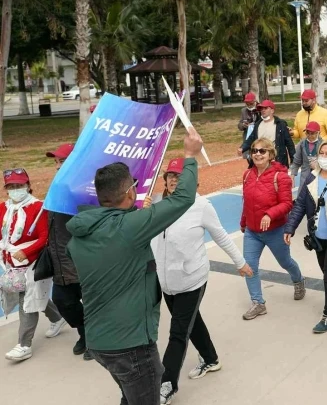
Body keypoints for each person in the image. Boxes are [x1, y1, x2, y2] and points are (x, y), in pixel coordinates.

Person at [65, 129, 203, 402]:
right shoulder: (129, 228)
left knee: (129, 396)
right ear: (129, 192)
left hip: (100, 341)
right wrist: (190, 155)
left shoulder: (79, 235)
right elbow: (183, 199)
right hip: (132, 345)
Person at [145, 158, 252, 405]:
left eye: (180, 175)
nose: (174, 179)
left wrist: (240, 262)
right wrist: (143, 213)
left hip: (192, 280)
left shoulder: (201, 205)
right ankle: (211, 358)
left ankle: (166, 384)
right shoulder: (157, 204)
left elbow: (220, 235)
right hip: (166, 281)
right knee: (191, 321)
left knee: (178, 332)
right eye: (171, 175)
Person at [284, 141, 327, 334]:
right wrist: (290, 227)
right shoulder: (311, 178)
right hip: (317, 236)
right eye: (321, 153)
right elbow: (300, 204)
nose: (323, 157)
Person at [1, 168, 65, 362]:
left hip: (33, 262)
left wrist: (27, 251)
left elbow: (45, 236)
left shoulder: (38, 207)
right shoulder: (3, 208)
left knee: (27, 301)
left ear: (28, 185)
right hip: (10, 262)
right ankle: (57, 317)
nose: (15, 189)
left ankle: (24, 345)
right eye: (11, 186)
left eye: (19, 185)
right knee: (34, 296)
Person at [240, 138, 305, 320]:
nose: (257, 154)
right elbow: (246, 202)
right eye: (254, 151)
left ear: (270, 154)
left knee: (285, 262)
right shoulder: (247, 175)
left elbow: (287, 203)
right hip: (252, 232)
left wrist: (269, 214)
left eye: (262, 151)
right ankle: (258, 303)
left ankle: (298, 280)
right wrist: (244, 222)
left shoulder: (280, 177)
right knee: (249, 266)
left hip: (275, 231)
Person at [45, 143, 91, 360]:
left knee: (93, 304)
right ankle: (85, 332)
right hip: (60, 262)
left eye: (62, 161)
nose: (57, 166)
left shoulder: (85, 189)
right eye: (56, 162)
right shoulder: (57, 186)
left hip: (82, 262)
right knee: (63, 301)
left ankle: (95, 339)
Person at [240, 99, 295, 167]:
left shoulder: (281, 124)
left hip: (277, 161)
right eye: (261, 108)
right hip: (261, 160)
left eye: (265, 108)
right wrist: (242, 148)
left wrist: (293, 160)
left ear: (272, 110)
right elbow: (251, 139)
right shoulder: (257, 125)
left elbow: (289, 143)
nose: (263, 110)